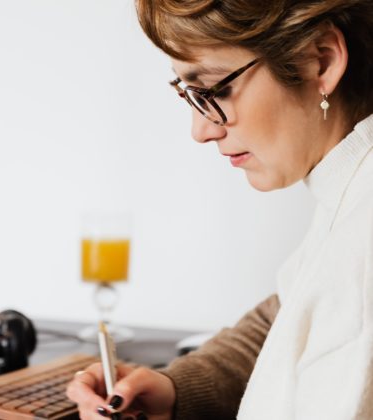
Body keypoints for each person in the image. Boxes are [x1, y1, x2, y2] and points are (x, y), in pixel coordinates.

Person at [66, 1, 373, 419]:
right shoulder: (348, 184)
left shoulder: (362, 246)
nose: (201, 130)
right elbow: (286, 314)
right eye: (187, 92)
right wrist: (178, 387)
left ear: (321, 60)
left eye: (214, 90)